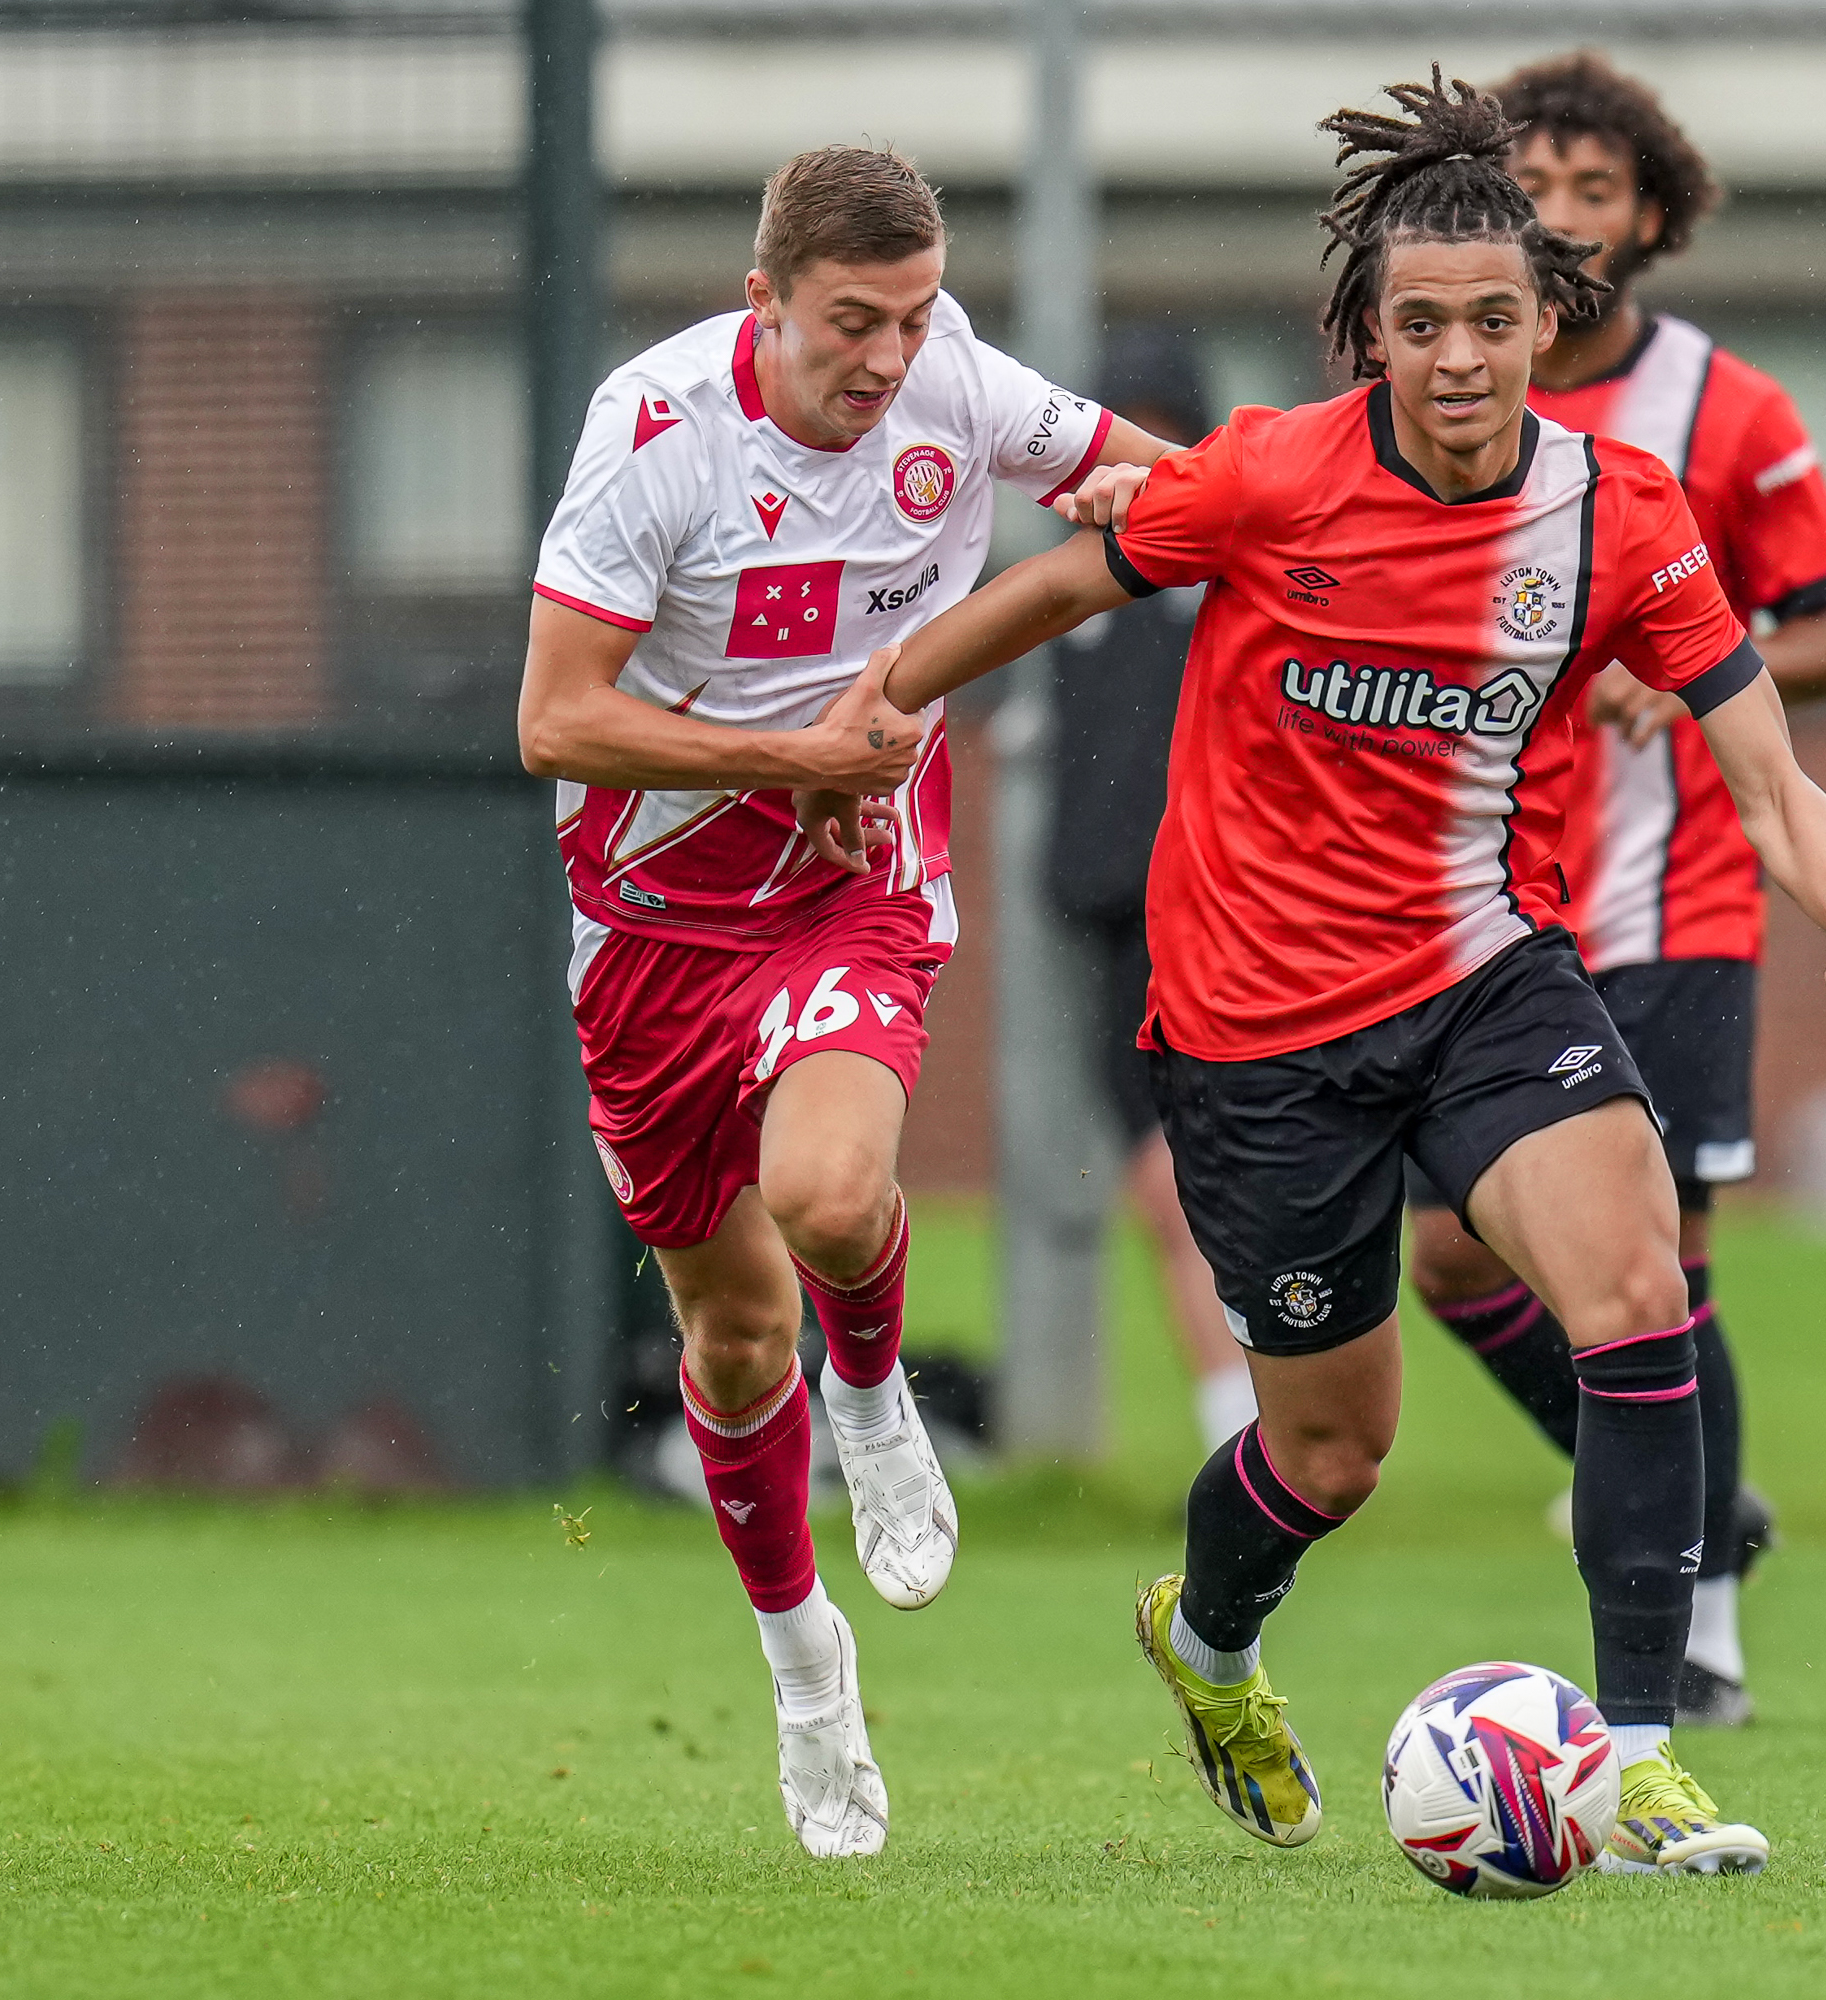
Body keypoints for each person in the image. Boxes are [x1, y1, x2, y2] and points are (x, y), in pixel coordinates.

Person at [863, 72, 1826, 1876]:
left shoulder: (1624, 509)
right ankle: (1208, 1649)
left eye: (1494, 322)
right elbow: (1050, 594)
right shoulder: (1274, 472)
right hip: (1259, 1037)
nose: (1457, 359)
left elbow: (1767, 767)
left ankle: (1649, 1751)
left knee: (1637, 1286)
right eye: (1420, 325)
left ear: (1546, 323)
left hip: (1497, 986)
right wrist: (874, 715)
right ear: (1371, 330)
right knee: (1332, 1455)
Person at [515, 144, 1170, 1859]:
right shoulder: (654, 436)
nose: (887, 359)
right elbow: (556, 720)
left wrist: (1321, 519)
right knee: (730, 1336)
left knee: (828, 1193)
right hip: (651, 920)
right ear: (765, 305)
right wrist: (791, 751)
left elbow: (1136, 478)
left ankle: (874, 1402)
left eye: (915, 313)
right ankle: (809, 1672)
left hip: (849, 890)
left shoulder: (956, 377)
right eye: (850, 325)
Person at [1402, 52, 1826, 1730]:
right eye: (1532, 188)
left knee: (1662, 1267)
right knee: (1454, 1260)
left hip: (1669, 895)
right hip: (1480, 912)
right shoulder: (1444, 398)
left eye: (1596, 192)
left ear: (1651, 218)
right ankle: (1693, 1490)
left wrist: (1691, 669)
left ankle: (1706, 1622)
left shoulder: (1726, 411)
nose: (1562, 219)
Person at [1040, 324, 1261, 1451]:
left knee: (1221, 1188)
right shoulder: (1077, 587)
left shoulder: (1227, 579)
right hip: (1119, 932)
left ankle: (1268, 1429)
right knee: (1162, 1188)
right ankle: (1242, 1430)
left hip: (1221, 928)